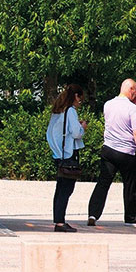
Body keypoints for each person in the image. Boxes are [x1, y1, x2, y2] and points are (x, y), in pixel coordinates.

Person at [87, 78, 136, 225]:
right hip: (126, 152)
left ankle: (93, 214)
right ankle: (131, 217)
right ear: (131, 90)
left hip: (108, 150)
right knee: (129, 185)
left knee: (103, 183)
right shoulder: (133, 109)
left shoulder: (108, 104)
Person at [46, 84, 87, 232]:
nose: (80, 102)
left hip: (59, 154)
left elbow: (49, 133)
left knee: (60, 189)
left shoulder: (58, 111)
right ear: (75, 96)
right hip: (69, 154)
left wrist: (56, 150)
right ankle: (60, 222)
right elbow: (76, 133)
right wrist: (83, 127)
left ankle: (58, 220)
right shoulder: (70, 111)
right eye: (80, 99)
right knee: (66, 189)